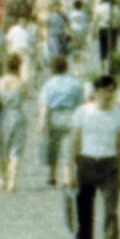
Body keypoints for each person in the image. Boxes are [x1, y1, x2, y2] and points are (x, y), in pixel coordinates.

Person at [69, 78, 120, 239]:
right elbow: (74, 143)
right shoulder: (83, 112)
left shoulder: (118, 114)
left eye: (112, 91)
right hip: (86, 163)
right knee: (85, 214)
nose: (108, 95)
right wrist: (70, 170)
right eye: (104, 91)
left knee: (111, 212)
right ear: (95, 92)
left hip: (109, 165)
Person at [38, 56, 86, 189]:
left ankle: (52, 175)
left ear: (52, 68)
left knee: (53, 146)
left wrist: (41, 122)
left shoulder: (49, 84)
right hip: (71, 115)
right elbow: (81, 103)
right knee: (68, 147)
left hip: (54, 116)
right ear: (66, 67)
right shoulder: (75, 83)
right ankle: (67, 176)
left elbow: (44, 104)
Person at [0, 59, 32, 193]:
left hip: (3, 116)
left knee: (0, 148)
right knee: (16, 150)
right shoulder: (21, 83)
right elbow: (27, 96)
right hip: (18, 114)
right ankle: (12, 182)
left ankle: (3, 177)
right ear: (19, 67)